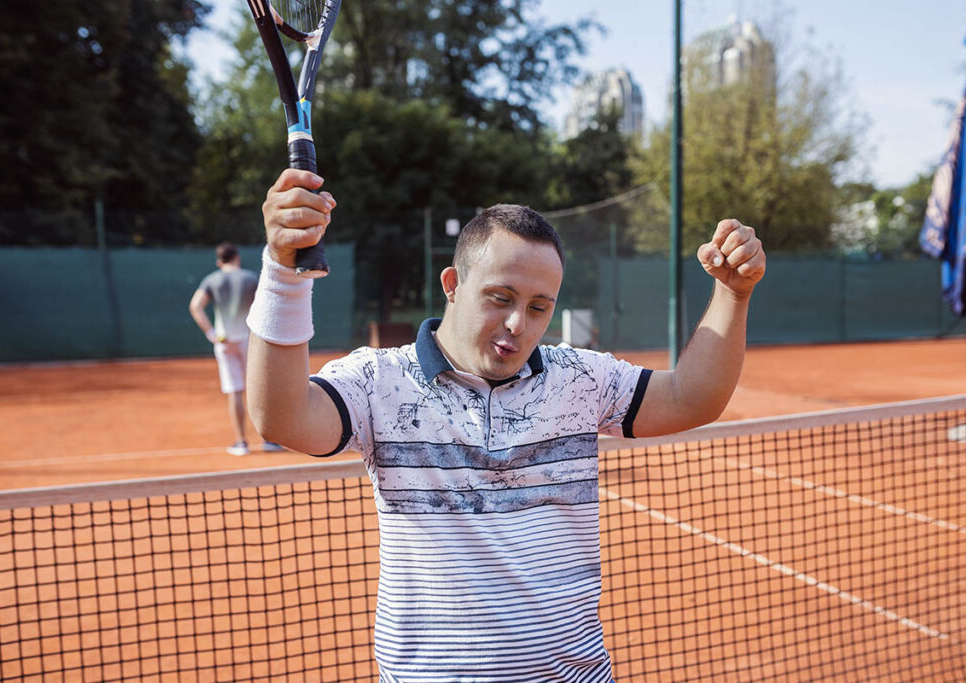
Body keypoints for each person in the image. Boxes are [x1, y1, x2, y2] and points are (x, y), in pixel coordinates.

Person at [245, 170, 766, 681]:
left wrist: (734, 294)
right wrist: (284, 272)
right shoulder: (378, 381)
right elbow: (282, 415)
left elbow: (690, 398)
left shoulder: (581, 378)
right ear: (453, 284)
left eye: (539, 307)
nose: (519, 324)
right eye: (501, 298)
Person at [188, 241, 283, 456]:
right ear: (237, 258)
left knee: (235, 392)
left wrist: (212, 334)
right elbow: (268, 305)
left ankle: (241, 443)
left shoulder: (211, 280)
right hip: (250, 341)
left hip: (224, 342)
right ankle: (268, 439)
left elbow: (195, 307)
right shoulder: (250, 278)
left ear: (219, 261)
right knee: (258, 389)